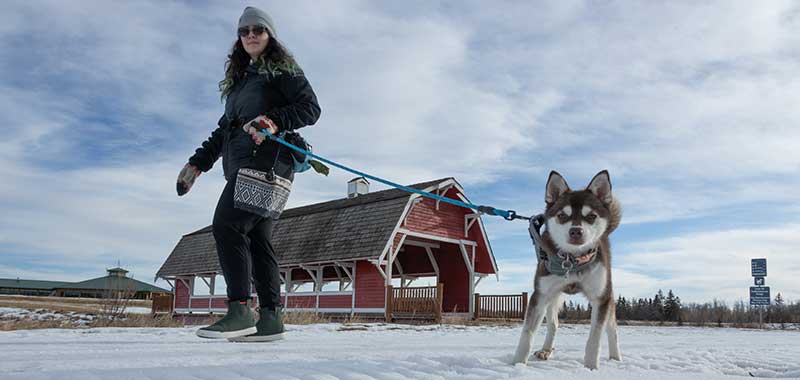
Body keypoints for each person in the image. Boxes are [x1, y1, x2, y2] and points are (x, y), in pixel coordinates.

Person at [176, 6, 321, 342]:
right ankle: (271, 319)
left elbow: (310, 108)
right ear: (239, 39)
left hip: (267, 164)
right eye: (245, 31)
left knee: (226, 226)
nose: (251, 35)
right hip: (245, 166)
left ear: (270, 35)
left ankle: (239, 310)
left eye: (259, 29)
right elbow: (224, 131)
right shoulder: (241, 84)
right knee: (257, 240)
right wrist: (197, 164)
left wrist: (273, 120)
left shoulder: (281, 70)